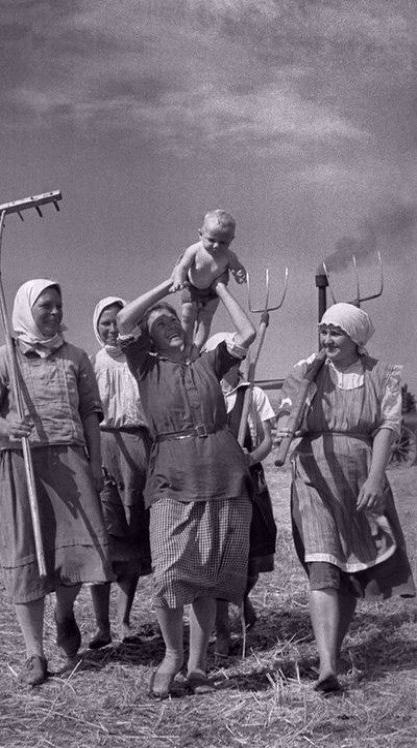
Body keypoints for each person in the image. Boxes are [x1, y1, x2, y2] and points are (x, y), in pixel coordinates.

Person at [116, 276, 257, 698]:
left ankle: (198, 666)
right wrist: (169, 284)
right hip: (171, 478)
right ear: (150, 340)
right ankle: (172, 655)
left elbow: (247, 333)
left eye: (173, 320)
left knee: (207, 577)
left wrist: (219, 287)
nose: (170, 326)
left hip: (222, 473)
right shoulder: (145, 366)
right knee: (169, 573)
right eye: (160, 325)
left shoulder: (208, 362)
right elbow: (124, 321)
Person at [0, 279, 114, 687]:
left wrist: (95, 463)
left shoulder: (76, 357)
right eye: (45, 306)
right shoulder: (2, 358)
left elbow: (90, 413)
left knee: (75, 554)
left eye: (58, 306)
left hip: (69, 461)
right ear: (25, 310)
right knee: (27, 555)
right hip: (22, 464)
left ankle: (64, 612)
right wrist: (7, 426)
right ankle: (34, 653)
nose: (55, 312)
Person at [277, 302, 416, 694]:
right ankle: (325, 668)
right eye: (323, 331)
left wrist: (375, 479)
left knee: (350, 564)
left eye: (335, 332)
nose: (327, 339)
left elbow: (387, 427)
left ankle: (333, 653)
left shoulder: (382, 375)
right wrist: (289, 422)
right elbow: (287, 417)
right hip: (314, 472)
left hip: (360, 474)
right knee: (322, 563)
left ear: (356, 338)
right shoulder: (307, 370)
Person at [203, 333, 277, 656]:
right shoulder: (203, 394)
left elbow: (267, 441)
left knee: (250, 560)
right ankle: (222, 632)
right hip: (213, 485)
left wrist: (249, 459)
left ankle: (243, 598)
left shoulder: (253, 394)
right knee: (217, 561)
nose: (226, 362)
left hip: (248, 483)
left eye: (232, 357)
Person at [88, 297, 152, 648]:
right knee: (105, 540)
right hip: (103, 447)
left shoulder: (141, 360)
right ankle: (102, 626)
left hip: (140, 449)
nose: (113, 329)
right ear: (97, 327)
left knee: (132, 538)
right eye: (106, 323)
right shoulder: (91, 364)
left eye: (119, 321)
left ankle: (124, 621)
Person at [170, 209, 247, 350]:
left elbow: (237, 268)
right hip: (191, 287)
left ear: (231, 240)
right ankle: (186, 344)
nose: (216, 246)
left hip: (212, 292)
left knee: (205, 320)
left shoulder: (229, 256)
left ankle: (197, 346)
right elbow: (182, 267)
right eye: (211, 240)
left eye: (223, 242)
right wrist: (178, 281)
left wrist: (240, 275)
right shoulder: (194, 250)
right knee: (187, 316)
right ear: (200, 234)